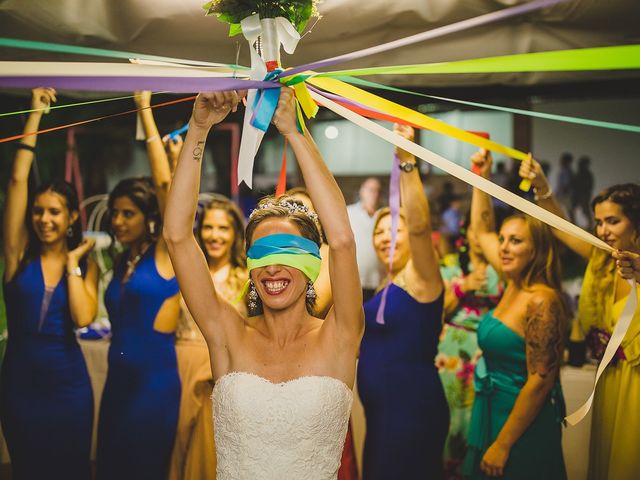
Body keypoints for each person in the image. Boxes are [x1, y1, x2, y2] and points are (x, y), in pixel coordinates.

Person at [163, 88, 363, 479]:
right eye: (262, 255)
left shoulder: (340, 336)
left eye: (287, 252)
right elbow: (177, 237)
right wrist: (199, 128)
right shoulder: (226, 334)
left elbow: (341, 240)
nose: (273, 269)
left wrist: (294, 133)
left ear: (311, 265)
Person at [520, 157, 640, 480]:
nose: (602, 230)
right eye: (598, 222)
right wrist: (542, 188)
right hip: (610, 381)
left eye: (612, 221)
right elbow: (560, 226)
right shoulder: (601, 257)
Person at [0, 87, 97, 479]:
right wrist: (35, 114)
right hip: (19, 385)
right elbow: (17, 180)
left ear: (72, 217)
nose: (43, 219)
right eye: (38, 211)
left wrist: (73, 264)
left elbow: (84, 317)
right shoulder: (17, 253)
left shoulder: (84, 262)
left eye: (54, 212)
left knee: (71, 469)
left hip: (68, 386)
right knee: (26, 469)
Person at [463, 149, 567, 479]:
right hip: (492, 411)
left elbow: (541, 379)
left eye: (516, 241)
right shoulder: (513, 283)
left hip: (521, 424)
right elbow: (481, 232)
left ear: (536, 249)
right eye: (504, 239)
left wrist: (504, 444)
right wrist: (481, 177)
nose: (504, 247)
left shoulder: (541, 299)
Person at [96, 92, 181, 480]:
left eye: (127, 213)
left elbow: (166, 183)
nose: (116, 220)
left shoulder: (165, 252)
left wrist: (144, 110)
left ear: (150, 218)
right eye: (114, 213)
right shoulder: (121, 259)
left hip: (153, 387)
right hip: (117, 383)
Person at [357, 124, 448, 479]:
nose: (384, 237)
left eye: (393, 228)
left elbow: (421, 226)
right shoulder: (383, 287)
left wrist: (406, 160)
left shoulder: (422, 278)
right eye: (378, 231)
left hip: (412, 410)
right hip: (381, 415)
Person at [170, 193, 248, 480]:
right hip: (181, 369)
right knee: (178, 447)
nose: (214, 235)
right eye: (209, 227)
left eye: (223, 228)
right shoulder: (185, 275)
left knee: (213, 451)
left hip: (223, 373)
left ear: (234, 233)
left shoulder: (246, 279)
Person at [436, 217, 503, 478]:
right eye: (474, 229)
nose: (480, 236)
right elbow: (436, 308)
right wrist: (463, 286)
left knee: (481, 418)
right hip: (452, 353)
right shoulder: (450, 267)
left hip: (488, 352)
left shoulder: (503, 269)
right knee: (451, 421)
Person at [347, 177, 382, 301]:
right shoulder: (349, 213)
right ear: (361, 191)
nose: (374, 193)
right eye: (371, 190)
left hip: (378, 282)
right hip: (355, 281)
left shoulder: (383, 215)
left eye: (377, 190)